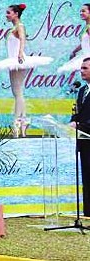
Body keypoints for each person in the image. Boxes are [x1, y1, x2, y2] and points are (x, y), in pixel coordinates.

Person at [0, 4, 53, 137]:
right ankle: (24, 120)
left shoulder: (20, 26)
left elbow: (23, 39)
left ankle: (16, 122)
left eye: (9, 13)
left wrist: (20, 52)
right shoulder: (13, 28)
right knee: (17, 92)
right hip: (12, 60)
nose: (6, 15)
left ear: (16, 14)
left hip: (18, 60)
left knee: (18, 92)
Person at [69, 58, 90, 217]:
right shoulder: (82, 90)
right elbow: (78, 113)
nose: (81, 71)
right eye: (81, 68)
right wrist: (73, 121)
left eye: (85, 68)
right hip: (84, 142)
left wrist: (81, 125)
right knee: (86, 177)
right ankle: (88, 211)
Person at [59, 3, 90, 74]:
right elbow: (84, 43)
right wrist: (74, 51)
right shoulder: (86, 26)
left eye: (83, 11)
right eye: (80, 11)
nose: (81, 13)